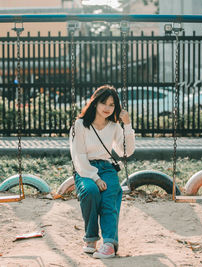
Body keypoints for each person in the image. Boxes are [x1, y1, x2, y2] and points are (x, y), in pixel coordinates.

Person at [69, 84, 135, 259]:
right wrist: (94, 177)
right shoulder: (80, 125)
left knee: (110, 196)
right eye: (104, 103)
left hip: (106, 168)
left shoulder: (113, 126)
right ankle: (90, 239)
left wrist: (127, 125)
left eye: (112, 105)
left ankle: (109, 244)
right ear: (95, 103)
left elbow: (126, 151)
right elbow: (78, 156)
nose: (107, 108)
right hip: (85, 168)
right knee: (90, 192)